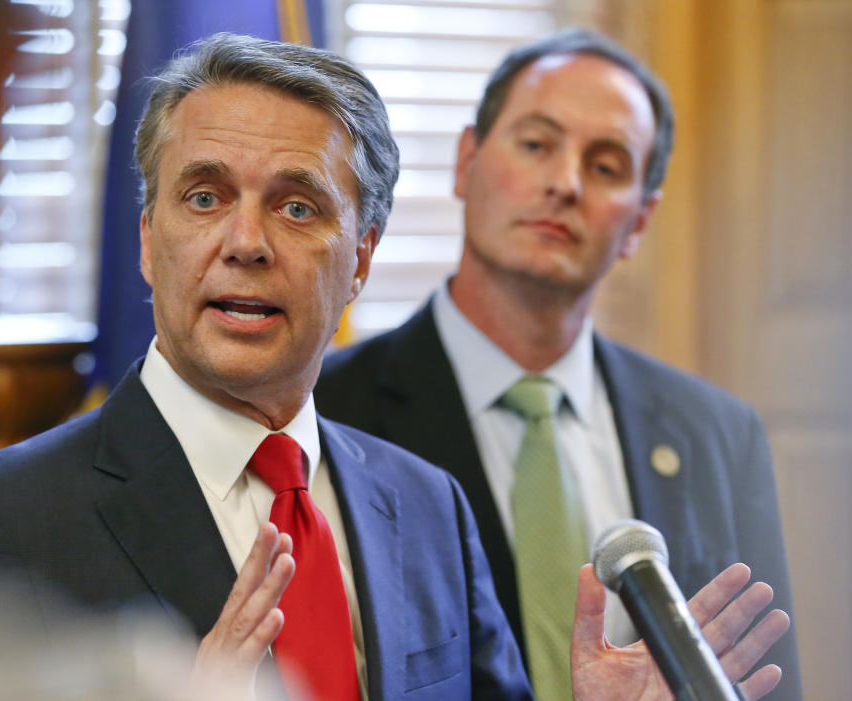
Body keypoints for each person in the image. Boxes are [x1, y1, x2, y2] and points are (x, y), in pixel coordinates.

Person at [0, 33, 787, 701]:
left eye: (296, 205)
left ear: (360, 259)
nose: (244, 242)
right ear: (146, 239)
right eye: (204, 196)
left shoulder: (428, 502)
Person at [315, 27, 801, 701]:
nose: (565, 183)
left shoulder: (717, 431)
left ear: (638, 222)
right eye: (537, 144)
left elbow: (768, 682)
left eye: (605, 166)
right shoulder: (329, 411)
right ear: (466, 161)